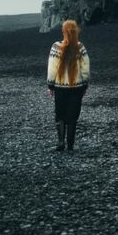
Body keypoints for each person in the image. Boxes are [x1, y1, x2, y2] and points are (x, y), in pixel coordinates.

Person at [46, 19, 90, 152]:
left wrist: (50, 85)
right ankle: (70, 145)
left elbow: (52, 68)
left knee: (60, 114)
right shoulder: (80, 47)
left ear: (64, 31)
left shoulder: (56, 47)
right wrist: (85, 84)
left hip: (60, 87)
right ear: (76, 31)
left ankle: (61, 143)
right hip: (77, 87)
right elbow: (85, 69)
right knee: (73, 117)